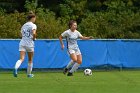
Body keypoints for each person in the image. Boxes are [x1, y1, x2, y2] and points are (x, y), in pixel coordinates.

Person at [13, 11, 37, 78]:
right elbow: (34, 33)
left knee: (21, 58)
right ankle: (29, 74)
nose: (35, 20)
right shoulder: (33, 25)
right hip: (29, 44)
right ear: (32, 18)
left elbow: (20, 34)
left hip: (22, 42)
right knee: (30, 59)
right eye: (35, 18)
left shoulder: (24, 25)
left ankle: (16, 67)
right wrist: (34, 38)